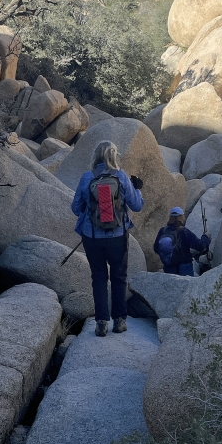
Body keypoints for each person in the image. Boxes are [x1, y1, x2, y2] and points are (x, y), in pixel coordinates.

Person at [71, 140, 144, 337]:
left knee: (99, 277)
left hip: (92, 236)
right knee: (119, 276)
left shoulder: (87, 177)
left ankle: (101, 322)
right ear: (114, 156)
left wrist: (91, 210)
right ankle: (119, 321)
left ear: (96, 156)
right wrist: (137, 189)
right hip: (117, 236)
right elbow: (137, 206)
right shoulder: (121, 176)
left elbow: (75, 208)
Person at [154, 207, 210, 277]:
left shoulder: (163, 231)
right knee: (187, 284)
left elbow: (156, 248)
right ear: (182, 217)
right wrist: (206, 237)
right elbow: (200, 246)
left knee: (171, 284)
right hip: (185, 266)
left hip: (169, 267)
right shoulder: (184, 231)